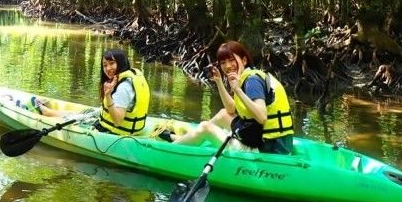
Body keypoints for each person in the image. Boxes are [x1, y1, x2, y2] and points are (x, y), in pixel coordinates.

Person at [158, 41, 293, 154]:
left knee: (205, 127)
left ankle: (168, 151)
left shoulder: (252, 81)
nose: (228, 66)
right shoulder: (246, 77)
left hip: (269, 147)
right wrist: (219, 82)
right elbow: (231, 109)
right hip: (267, 139)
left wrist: (237, 91)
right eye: (223, 62)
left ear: (244, 60)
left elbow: (262, 116)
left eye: (232, 60)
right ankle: (190, 138)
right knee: (224, 114)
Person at [36, 48, 150, 136]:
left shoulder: (123, 88)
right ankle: (49, 111)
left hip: (113, 132)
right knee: (86, 113)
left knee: (75, 119)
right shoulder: (131, 77)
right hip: (132, 129)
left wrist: (108, 95)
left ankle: (47, 113)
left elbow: (118, 121)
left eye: (112, 63)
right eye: (105, 65)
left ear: (121, 63)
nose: (108, 68)